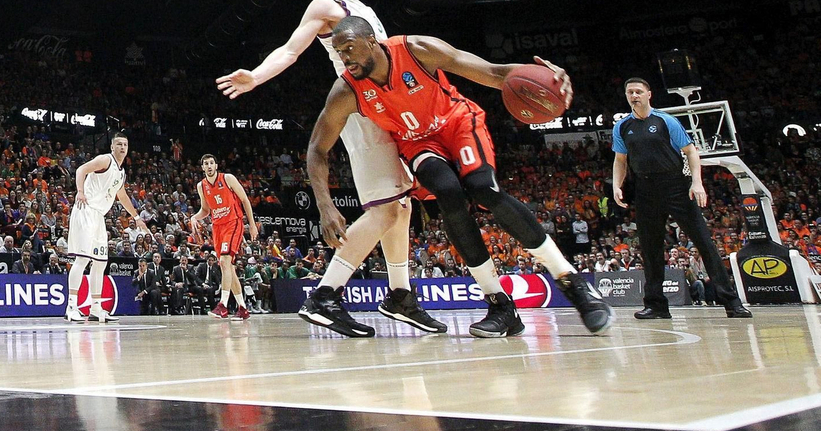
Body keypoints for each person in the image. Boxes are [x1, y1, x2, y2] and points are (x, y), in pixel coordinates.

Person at [310, 17, 612, 337]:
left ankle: (574, 284)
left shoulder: (417, 49)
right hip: (418, 142)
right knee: (448, 194)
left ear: (371, 41)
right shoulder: (346, 89)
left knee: (483, 189)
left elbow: (494, 73)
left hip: (457, 123)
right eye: (339, 51)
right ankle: (499, 304)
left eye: (349, 48)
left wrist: (548, 79)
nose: (345, 57)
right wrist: (325, 205)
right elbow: (317, 148)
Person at [218, 0, 439, 335]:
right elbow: (290, 50)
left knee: (400, 207)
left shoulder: (365, 9)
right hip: (361, 109)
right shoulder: (325, 6)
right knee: (387, 209)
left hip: (386, 110)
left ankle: (401, 294)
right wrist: (256, 76)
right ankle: (325, 295)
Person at [612, 78, 752, 320]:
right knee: (650, 249)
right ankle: (656, 305)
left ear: (648, 94)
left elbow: (690, 152)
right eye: (629, 92)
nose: (633, 95)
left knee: (704, 243)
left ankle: (731, 302)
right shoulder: (622, 126)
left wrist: (697, 183)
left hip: (675, 186)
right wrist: (616, 185)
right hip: (645, 189)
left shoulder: (666, 121)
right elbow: (620, 160)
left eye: (638, 91)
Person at [64, 134, 151, 323]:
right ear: (112, 147)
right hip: (85, 210)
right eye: (119, 144)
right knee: (82, 260)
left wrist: (136, 217)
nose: (122, 147)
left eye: (125, 144)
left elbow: (122, 195)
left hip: (98, 217)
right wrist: (80, 191)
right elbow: (81, 169)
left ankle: (96, 308)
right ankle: (71, 307)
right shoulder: (105, 160)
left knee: (101, 262)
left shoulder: (121, 172)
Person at [188, 154, 258, 318]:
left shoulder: (228, 178)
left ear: (216, 165)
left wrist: (252, 224)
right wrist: (194, 217)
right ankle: (242, 308)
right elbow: (205, 210)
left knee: (225, 261)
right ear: (203, 167)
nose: (209, 166)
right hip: (217, 227)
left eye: (212, 163)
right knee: (228, 267)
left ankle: (223, 305)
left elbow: (245, 200)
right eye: (206, 164)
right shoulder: (201, 186)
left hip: (233, 222)